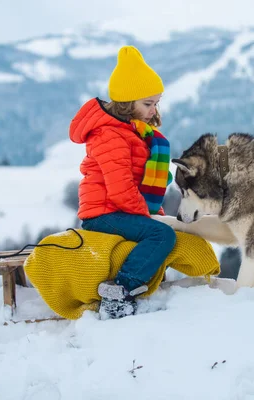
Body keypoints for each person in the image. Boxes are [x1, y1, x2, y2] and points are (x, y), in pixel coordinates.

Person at [69, 45, 176, 319]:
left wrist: (154, 212)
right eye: (148, 104)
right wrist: (152, 218)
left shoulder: (133, 130)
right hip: (103, 213)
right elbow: (120, 190)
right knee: (161, 234)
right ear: (127, 103)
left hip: (118, 208)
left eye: (156, 103)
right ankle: (119, 291)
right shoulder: (110, 136)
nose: (154, 110)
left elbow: (141, 182)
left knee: (165, 229)